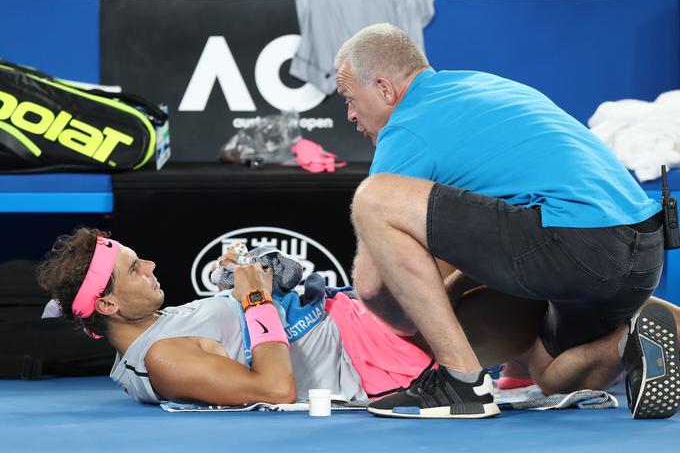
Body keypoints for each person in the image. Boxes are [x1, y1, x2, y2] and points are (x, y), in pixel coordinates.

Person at [335, 23, 680, 419]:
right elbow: (500, 231)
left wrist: (423, 320)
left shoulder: (406, 127)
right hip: (641, 251)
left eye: (349, 98)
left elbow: (373, 287)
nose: (350, 114)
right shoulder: (482, 87)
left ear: (384, 89)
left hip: (576, 244)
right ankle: (629, 339)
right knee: (551, 376)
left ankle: (460, 384)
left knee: (375, 198)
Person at [36, 228, 546, 406]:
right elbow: (274, 389)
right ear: (107, 305)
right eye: (133, 267)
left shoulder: (158, 325)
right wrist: (258, 300)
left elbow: (234, 327)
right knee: (523, 294)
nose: (148, 265)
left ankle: (538, 354)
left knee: (472, 251)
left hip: (353, 318)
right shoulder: (164, 360)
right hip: (372, 360)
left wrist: (243, 279)